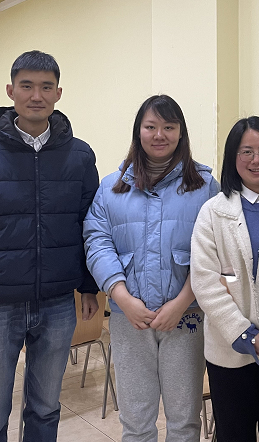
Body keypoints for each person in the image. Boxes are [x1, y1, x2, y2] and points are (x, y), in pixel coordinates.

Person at [0, 50, 101, 442]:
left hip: (58, 303)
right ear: (11, 91)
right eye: (27, 86)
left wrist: (89, 286)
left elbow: (90, 226)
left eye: (46, 87)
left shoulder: (79, 156)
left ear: (58, 93)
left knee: (45, 409)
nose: (36, 96)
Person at [83, 94, 219, 442]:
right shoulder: (111, 187)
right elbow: (97, 242)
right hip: (129, 318)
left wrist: (181, 302)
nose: (160, 135)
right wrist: (122, 298)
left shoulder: (205, 186)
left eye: (169, 127)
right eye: (151, 127)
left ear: (181, 132)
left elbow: (214, 252)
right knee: (136, 421)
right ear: (138, 131)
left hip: (187, 316)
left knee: (184, 419)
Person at [191, 117, 259, 442]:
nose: (257, 159)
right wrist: (244, 334)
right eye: (246, 151)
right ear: (232, 157)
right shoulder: (212, 212)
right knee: (233, 434)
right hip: (229, 353)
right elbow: (205, 282)